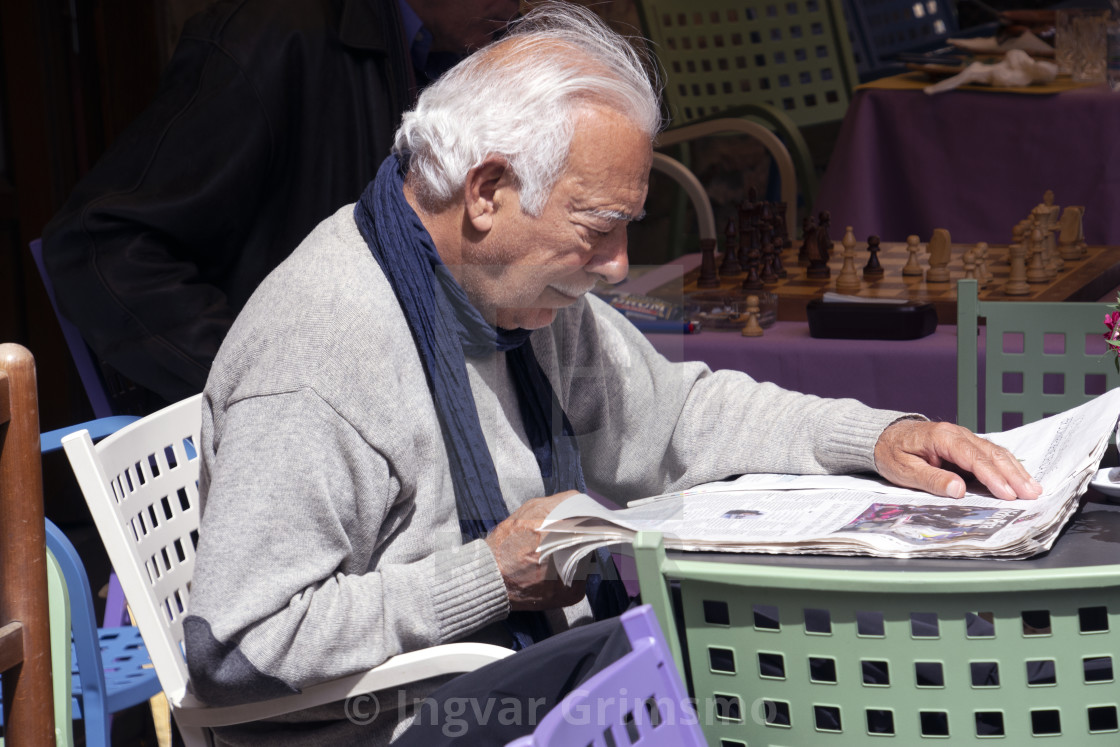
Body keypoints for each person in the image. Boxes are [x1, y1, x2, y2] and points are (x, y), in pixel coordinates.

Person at [183, 3, 1043, 745]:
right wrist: (491, 574)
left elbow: (673, 419)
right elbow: (239, 642)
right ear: (486, 191)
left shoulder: (512, 292)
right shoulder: (321, 351)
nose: (620, 265)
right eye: (599, 225)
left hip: (523, 680)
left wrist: (879, 437)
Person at [40, 0, 518, 410]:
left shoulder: (466, 54)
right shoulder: (274, 35)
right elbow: (98, 245)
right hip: (306, 433)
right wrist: (266, 379)